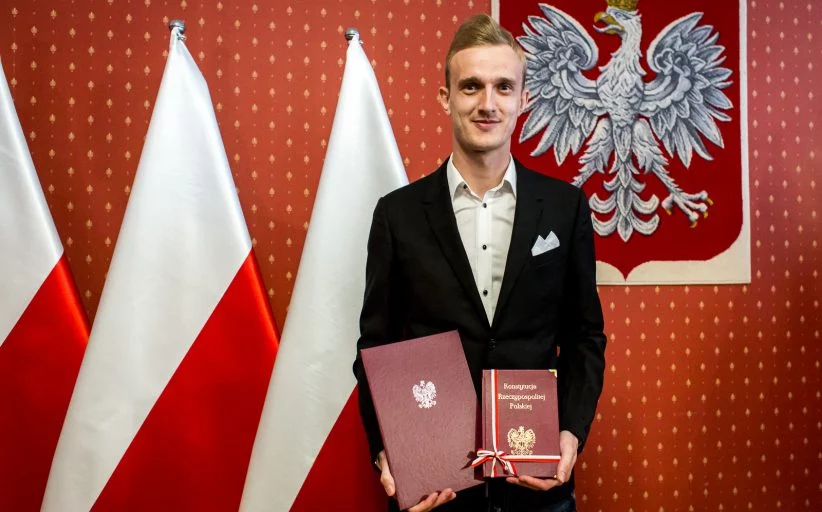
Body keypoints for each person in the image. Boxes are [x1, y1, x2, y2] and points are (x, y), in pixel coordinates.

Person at [353, 13, 606, 512]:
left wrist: (572, 431)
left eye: (503, 87)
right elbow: (376, 344)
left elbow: (584, 336)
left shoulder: (566, 208)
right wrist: (387, 450)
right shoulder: (397, 215)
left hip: (536, 488)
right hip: (436, 488)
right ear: (446, 97)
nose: (487, 103)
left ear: (523, 100)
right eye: (471, 86)